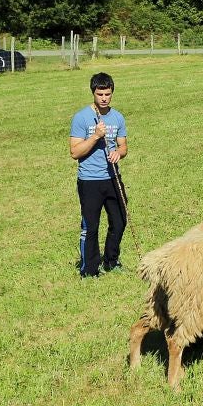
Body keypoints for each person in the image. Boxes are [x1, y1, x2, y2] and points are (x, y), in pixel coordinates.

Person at [68, 72, 128, 277]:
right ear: (93, 93)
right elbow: (75, 152)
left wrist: (117, 153)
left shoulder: (118, 117)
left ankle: (111, 261)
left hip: (112, 178)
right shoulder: (81, 117)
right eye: (100, 94)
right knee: (91, 227)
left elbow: (124, 147)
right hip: (90, 181)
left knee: (120, 221)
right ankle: (89, 270)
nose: (104, 97)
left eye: (107, 94)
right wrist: (95, 136)